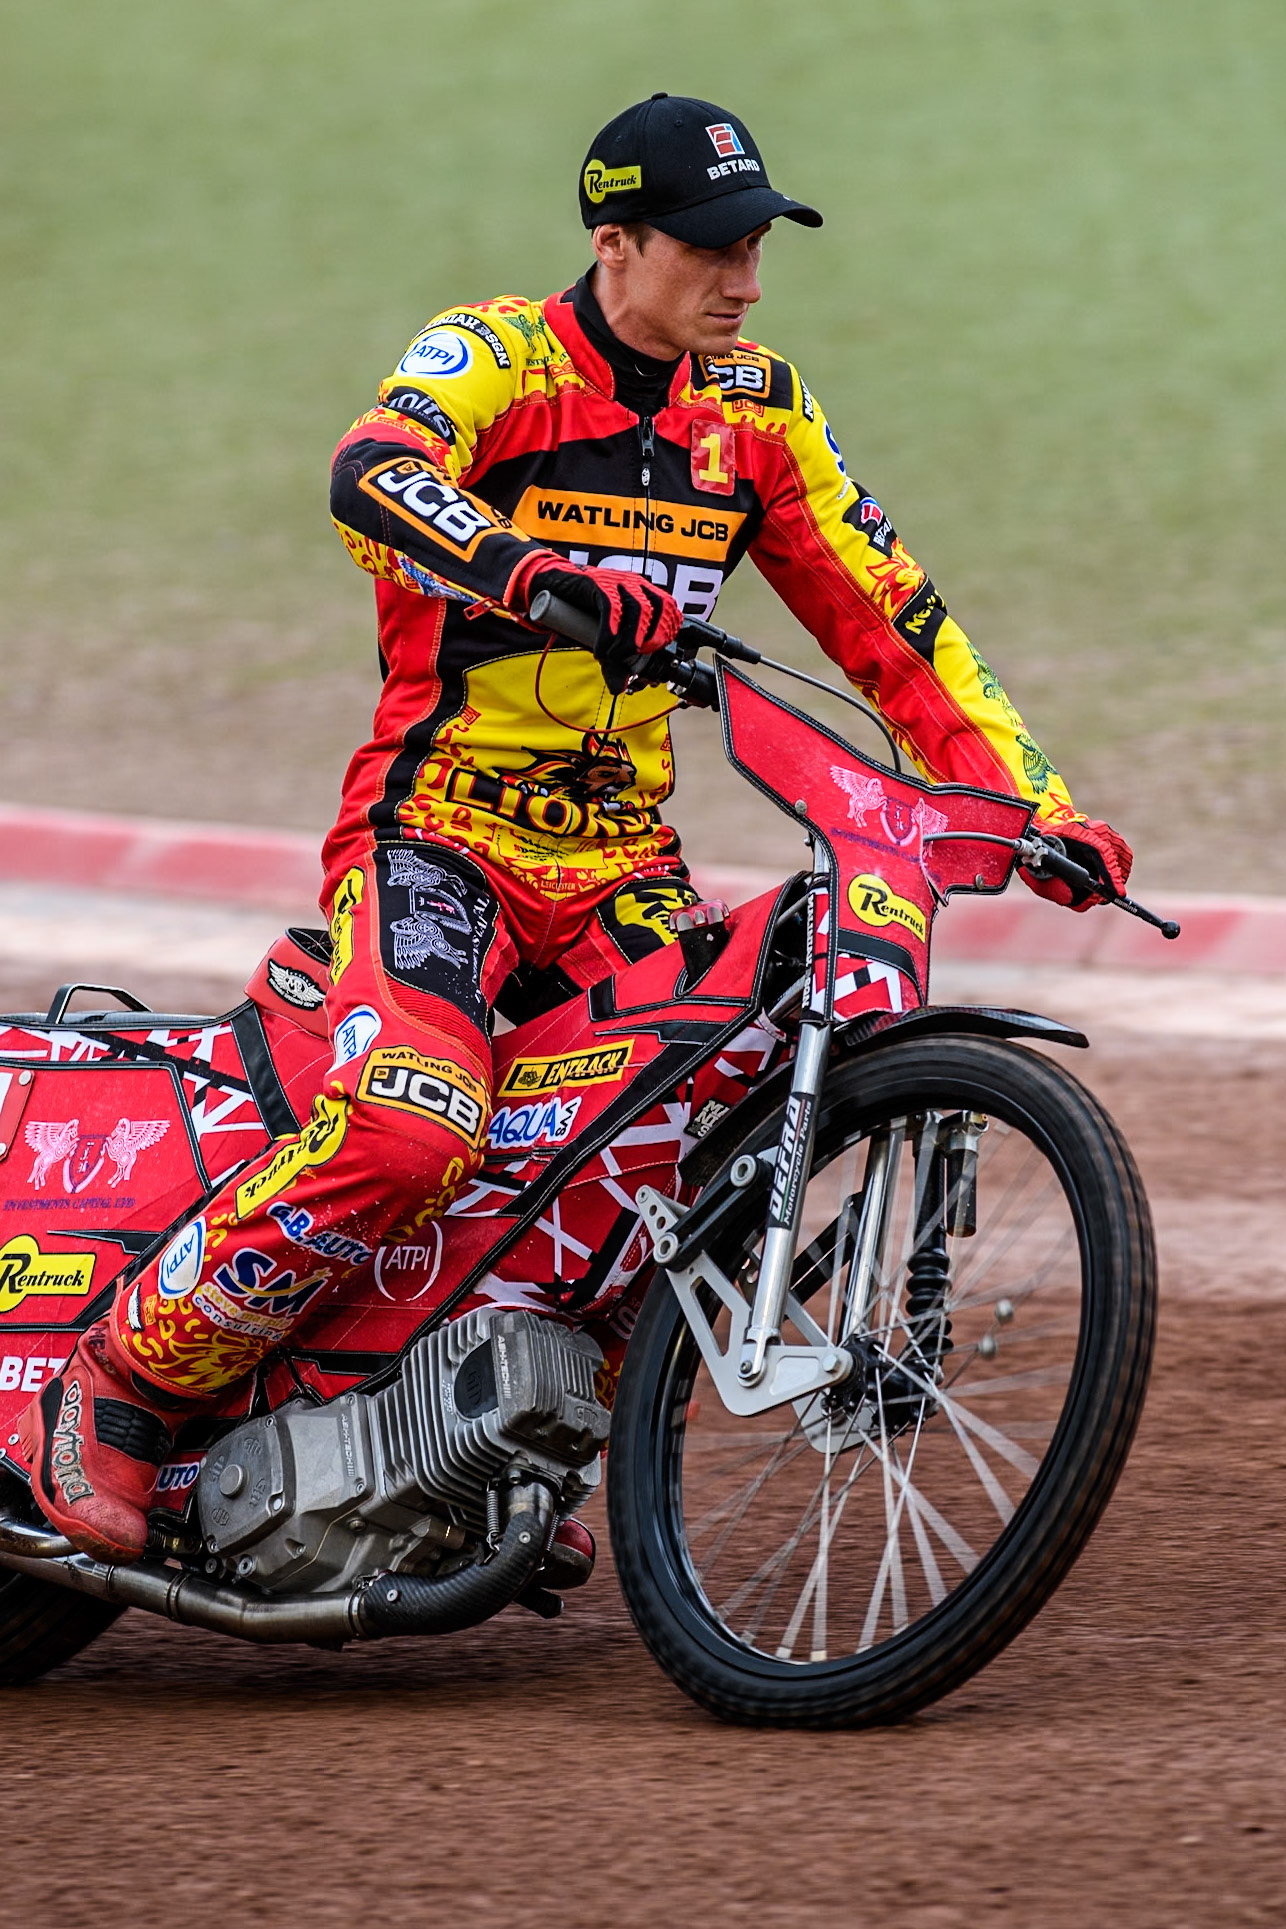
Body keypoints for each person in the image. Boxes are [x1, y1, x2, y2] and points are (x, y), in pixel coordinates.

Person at [20, 94, 1132, 1560]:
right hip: (437, 844)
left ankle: (489, 1432)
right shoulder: (492, 353)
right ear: (616, 244)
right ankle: (110, 1389)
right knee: (416, 1126)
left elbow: (892, 624)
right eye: (715, 248)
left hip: (618, 868)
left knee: (690, 1141)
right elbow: (372, 471)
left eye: (758, 248)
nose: (745, 280)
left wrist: (1031, 804)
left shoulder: (759, 408)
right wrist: (524, 565)